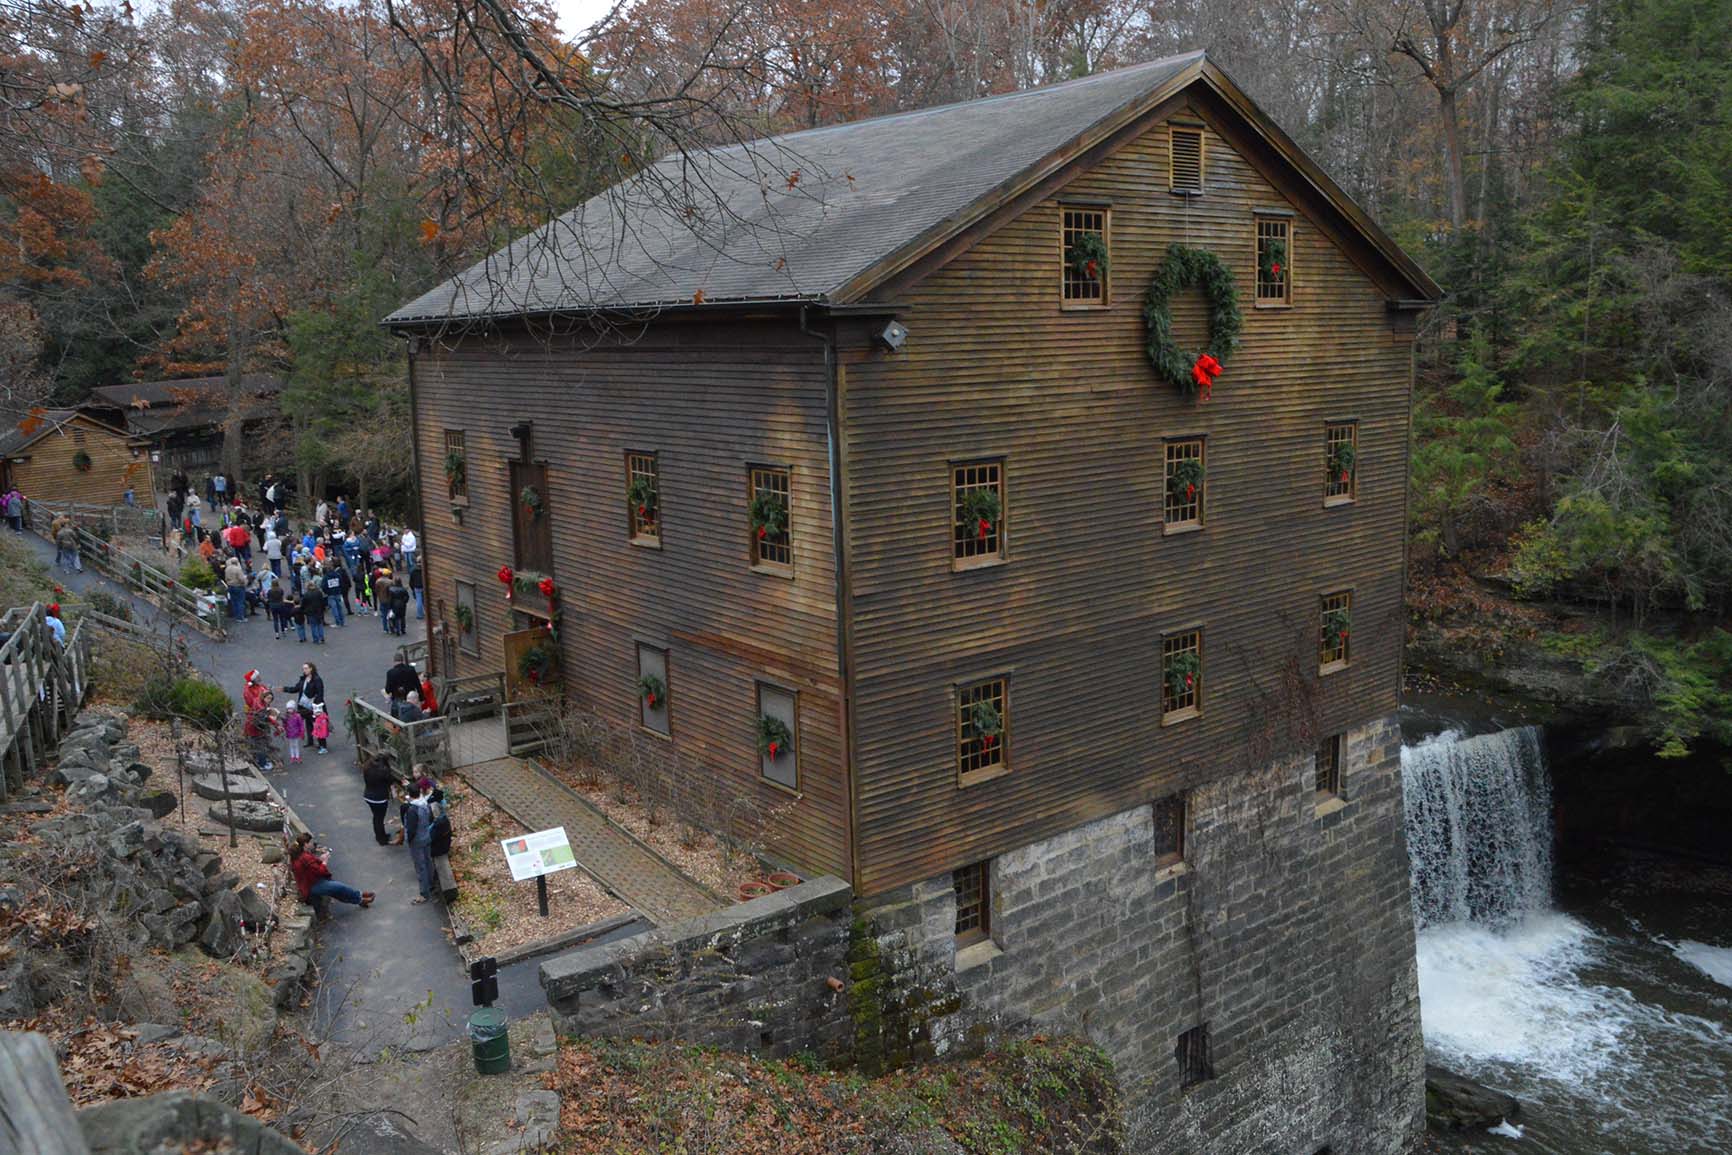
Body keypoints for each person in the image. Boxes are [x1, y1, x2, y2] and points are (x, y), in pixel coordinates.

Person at [289, 833, 374, 915]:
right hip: (312, 886)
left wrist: (320, 859)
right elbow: (320, 871)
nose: (312, 844)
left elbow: (312, 867)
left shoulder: (302, 855)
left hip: (312, 882)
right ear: (306, 844)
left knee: (338, 890)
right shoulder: (305, 857)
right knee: (339, 887)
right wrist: (324, 861)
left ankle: (360, 898)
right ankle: (360, 897)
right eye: (310, 842)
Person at [401, 778, 441, 905]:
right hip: (426, 836)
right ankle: (431, 884)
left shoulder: (412, 810)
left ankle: (424, 893)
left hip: (417, 841)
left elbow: (411, 829)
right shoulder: (424, 804)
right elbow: (429, 819)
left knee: (420, 866)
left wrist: (409, 839)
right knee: (428, 861)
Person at [362, 756, 395, 846]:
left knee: (376, 817)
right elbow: (391, 781)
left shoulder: (367, 768)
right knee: (379, 818)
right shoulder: (383, 772)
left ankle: (380, 835)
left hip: (368, 796)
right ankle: (381, 839)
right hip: (379, 799)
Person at [283, 662, 324, 734]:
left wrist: (316, 706)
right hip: (303, 705)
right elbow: (296, 688)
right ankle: (310, 741)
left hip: (313, 706)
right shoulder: (303, 678)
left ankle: (321, 743)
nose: (304, 670)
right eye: (303, 669)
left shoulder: (317, 679)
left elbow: (320, 693)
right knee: (308, 723)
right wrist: (284, 689)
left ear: (311, 669)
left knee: (317, 724)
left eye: (306, 668)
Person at [299, 578, 327, 645]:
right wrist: (323, 608)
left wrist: (303, 610)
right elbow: (322, 601)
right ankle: (322, 637)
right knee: (319, 624)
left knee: (313, 626)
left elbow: (303, 604)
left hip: (310, 612)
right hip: (319, 611)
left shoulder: (306, 595)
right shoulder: (318, 592)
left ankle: (316, 639)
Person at [321, 562, 346, 626]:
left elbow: (323, 586)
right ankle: (342, 622)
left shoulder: (326, 577)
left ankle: (337, 622)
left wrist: (327, 592)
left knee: (334, 609)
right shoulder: (337, 575)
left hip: (330, 594)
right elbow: (341, 583)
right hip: (337, 593)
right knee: (340, 608)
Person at [223, 555, 248, 621]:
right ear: (237, 562)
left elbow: (225, 578)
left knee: (234, 602)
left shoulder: (227, 569)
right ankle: (240, 617)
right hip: (238, 586)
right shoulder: (238, 569)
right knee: (240, 602)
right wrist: (244, 583)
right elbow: (241, 579)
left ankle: (236, 616)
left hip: (230, 586)